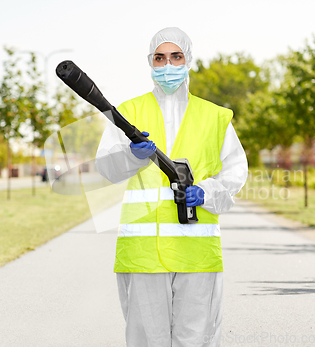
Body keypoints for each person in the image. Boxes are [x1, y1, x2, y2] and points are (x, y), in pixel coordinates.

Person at [95, 27, 248, 347]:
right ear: (150, 62)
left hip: (196, 252)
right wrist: (130, 156)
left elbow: (236, 172)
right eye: (159, 58)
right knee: (146, 340)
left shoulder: (215, 116)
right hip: (143, 254)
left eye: (175, 56)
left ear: (188, 59)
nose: (167, 66)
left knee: (196, 339)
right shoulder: (129, 112)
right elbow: (106, 168)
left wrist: (207, 192)